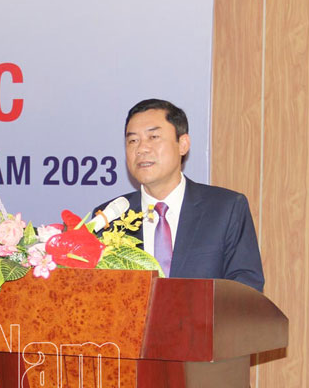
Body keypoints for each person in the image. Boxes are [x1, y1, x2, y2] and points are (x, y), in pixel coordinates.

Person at [94, 98, 264, 292]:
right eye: (133, 140)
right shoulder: (109, 217)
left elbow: (246, 290)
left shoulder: (226, 209)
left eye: (153, 137)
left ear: (183, 144)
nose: (141, 149)